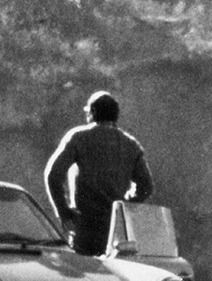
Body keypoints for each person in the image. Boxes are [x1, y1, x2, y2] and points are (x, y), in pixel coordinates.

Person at [44, 90, 155, 255]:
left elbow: (53, 174)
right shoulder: (130, 145)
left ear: (93, 113)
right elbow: (146, 186)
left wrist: (64, 213)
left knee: (84, 276)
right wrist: (124, 206)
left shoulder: (78, 137)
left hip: (83, 226)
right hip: (115, 230)